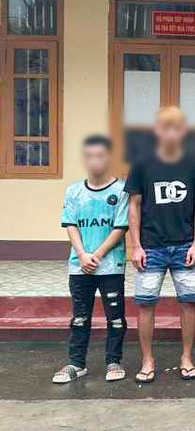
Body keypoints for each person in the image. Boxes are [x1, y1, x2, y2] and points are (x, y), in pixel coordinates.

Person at [126, 106, 195, 383]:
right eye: (166, 126)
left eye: (177, 127)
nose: (171, 132)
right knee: (145, 304)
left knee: (189, 302)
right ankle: (147, 359)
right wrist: (136, 245)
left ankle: (187, 357)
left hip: (185, 246)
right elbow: (134, 205)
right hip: (150, 247)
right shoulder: (142, 163)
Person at [53, 135, 130, 384]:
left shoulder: (122, 191)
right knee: (79, 318)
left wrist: (97, 255)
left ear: (109, 158)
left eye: (100, 155)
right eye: (89, 156)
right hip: (80, 266)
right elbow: (71, 225)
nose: (94, 160)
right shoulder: (73, 192)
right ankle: (76, 363)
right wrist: (82, 254)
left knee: (115, 318)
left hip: (111, 266)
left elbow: (120, 227)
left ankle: (114, 361)